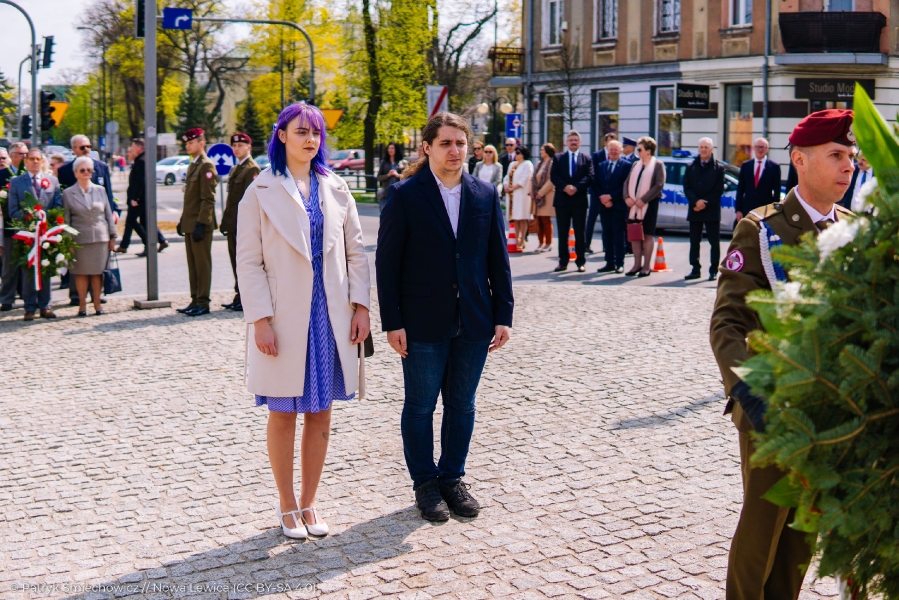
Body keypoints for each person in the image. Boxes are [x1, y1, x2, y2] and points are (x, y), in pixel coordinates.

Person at [710, 109, 855, 600]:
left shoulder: (854, 229)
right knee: (763, 528)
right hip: (773, 407)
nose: (848, 165)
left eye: (851, 155)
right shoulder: (762, 229)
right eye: (836, 155)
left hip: (834, 410)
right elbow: (728, 322)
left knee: (803, 533)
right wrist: (749, 392)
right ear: (800, 160)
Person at [237, 102, 371, 539]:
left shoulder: (336, 187)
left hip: (330, 313)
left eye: (316, 133)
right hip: (283, 315)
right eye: (301, 131)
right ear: (282, 136)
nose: (310, 139)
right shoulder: (259, 191)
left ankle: (310, 502)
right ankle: (286, 504)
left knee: (321, 412)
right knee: (283, 413)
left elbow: (356, 252)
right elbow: (249, 262)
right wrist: (260, 319)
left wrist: (362, 306)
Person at [376, 112, 513, 522]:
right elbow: (387, 263)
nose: (455, 150)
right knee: (420, 406)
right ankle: (425, 484)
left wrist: (503, 314)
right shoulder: (405, 194)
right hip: (421, 320)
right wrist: (393, 321)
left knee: (462, 404)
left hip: (474, 317)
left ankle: (452, 478)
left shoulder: (484, 193)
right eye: (446, 143)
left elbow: (498, 258)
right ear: (427, 148)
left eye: (460, 143)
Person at [59, 135, 118, 306]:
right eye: (82, 147)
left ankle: (97, 295)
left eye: (88, 146)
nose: (86, 150)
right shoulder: (65, 170)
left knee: (98, 267)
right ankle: (77, 295)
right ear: (73, 149)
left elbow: (108, 194)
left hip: (98, 228)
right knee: (78, 267)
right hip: (78, 228)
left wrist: (113, 213)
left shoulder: (101, 167)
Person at [8, 148, 63, 321]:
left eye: (38, 159)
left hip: (46, 233)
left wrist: (49, 218)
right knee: (28, 270)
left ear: (42, 161)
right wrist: (30, 217)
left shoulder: (52, 181)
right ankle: (29, 307)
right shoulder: (17, 182)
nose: (35, 162)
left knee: (46, 267)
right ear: (26, 162)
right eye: (31, 159)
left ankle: (45, 306)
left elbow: (58, 205)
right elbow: (12, 210)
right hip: (26, 234)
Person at [176, 128, 218, 317]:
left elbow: (208, 199)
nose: (188, 146)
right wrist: (183, 220)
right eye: (186, 143)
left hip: (200, 224)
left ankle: (203, 302)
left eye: (191, 142)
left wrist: (201, 223)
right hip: (191, 223)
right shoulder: (193, 165)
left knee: (202, 265)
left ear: (201, 143)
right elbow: (190, 199)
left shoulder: (206, 166)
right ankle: (195, 300)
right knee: (193, 266)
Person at [220, 132, 261, 312]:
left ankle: (245, 298)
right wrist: (226, 222)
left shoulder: (251, 169)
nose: (236, 149)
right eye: (234, 146)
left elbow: (251, 202)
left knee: (244, 263)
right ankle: (239, 296)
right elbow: (232, 201)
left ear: (248, 147)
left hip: (243, 226)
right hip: (233, 224)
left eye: (240, 146)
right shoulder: (235, 169)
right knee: (235, 262)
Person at [116, 138, 169, 257]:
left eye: (133, 146)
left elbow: (140, 182)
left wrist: (135, 198)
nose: (132, 149)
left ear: (140, 147)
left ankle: (149, 243)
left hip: (140, 199)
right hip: (143, 198)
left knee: (132, 220)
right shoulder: (142, 159)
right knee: (145, 221)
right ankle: (161, 241)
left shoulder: (141, 161)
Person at [549, 130, 593, 272]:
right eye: (571, 140)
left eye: (576, 140)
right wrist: (565, 187)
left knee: (580, 232)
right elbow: (554, 176)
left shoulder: (586, 158)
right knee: (563, 233)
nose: (573, 142)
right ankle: (563, 261)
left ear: (580, 143)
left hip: (579, 200)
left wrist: (576, 187)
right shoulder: (558, 158)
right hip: (562, 200)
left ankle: (580, 262)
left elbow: (590, 176)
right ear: (566, 143)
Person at [622, 136, 665, 277]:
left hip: (649, 205)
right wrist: (626, 197)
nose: (637, 152)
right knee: (635, 235)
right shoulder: (636, 164)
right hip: (633, 206)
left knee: (647, 235)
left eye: (640, 149)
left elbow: (658, 185)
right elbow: (626, 182)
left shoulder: (658, 165)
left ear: (648, 151)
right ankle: (636, 264)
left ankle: (646, 266)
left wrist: (644, 200)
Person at [684, 137, 725, 282]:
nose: (703, 150)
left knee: (714, 242)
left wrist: (704, 203)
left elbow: (719, 190)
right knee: (694, 241)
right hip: (695, 209)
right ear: (698, 149)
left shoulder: (719, 168)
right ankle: (695, 269)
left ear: (712, 149)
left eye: (706, 147)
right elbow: (687, 187)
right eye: (701, 147)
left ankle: (714, 270)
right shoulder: (690, 166)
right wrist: (696, 202)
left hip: (711, 209)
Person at [593, 140, 632, 273]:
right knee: (607, 234)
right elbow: (596, 184)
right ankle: (609, 262)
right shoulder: (601, 165)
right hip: (604, 206)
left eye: (616, 149)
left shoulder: (626, 166)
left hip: (618, 206)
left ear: (621, 151)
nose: (613, 152)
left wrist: (611, 197)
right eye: (611, 150)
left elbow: (626, 186)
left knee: (618, 235)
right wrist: (603, 198)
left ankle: (619, 263)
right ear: (608, 151)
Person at [586, 133, 619, 252]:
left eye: (613, 141)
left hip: (610, 195)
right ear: (605, 143)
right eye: (609, 141)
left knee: (607, 221)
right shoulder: (597, 155)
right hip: (597, 193)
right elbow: (593, 175)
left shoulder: (617, 156)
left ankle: (606, 246)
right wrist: (600, 194)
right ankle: (586, 244)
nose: (611, 144)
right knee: (592, 218)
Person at [735, 137, 780, 221]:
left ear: (767, 149)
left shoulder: (774, 167)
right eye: (757, 147)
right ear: (753, 148)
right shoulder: (746, 166)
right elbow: (740, 189)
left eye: (763, 147)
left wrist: (774, 211)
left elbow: (777, 191)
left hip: (765, 211)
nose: (760, 150)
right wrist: (738, 210)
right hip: (747, 210)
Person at [0, 148, 19, 312]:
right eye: (20, 154)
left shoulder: (29, 175)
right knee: (8, 265)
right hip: (7, 226)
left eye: (25, 154)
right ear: (12, 156)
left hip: (30, 227)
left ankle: (28, 295)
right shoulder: (2, 175)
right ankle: (6, 298)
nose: (23, 157)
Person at [505, 146, 534, 252]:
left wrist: (513, 188)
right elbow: (506, 177)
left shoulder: (527, 164)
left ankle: (522, 239)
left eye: (518, 153)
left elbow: (525, 179)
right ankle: (516, 238)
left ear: (523, 154)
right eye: (515, 153)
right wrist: (506, 186)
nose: (516, 154)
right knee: (515, 217)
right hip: (512, 195)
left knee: (522, 217)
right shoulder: (512, 164)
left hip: (521, 194)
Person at [531, 143, 556, 253]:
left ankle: (548, 243)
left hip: (547, 195)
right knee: (538, 220)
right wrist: (532, 191)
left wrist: (541, 193)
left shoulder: (552, 163)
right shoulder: (539, 163)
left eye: (542, 150)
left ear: (548, 151)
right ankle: (540, 242)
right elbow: (533, 178)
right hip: (536, 196)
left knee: (545, 220)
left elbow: (551, 180)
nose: (541, 151)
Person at [376, 142, 405, 212]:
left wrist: (397, 175)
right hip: (386, 194)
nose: (390, 150)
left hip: (398, 193)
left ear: (396, 150)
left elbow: (407, 177)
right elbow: (378, 177)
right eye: (389, 148)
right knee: (384, 213)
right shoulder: (384, 162)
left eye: (392, 148)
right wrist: (388, 175)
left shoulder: (401, 162)